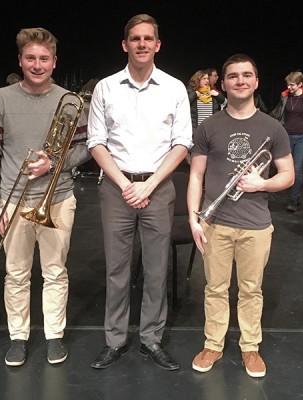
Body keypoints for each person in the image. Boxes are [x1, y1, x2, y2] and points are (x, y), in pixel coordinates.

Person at [87, 13, 192, 371]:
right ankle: (115, 340)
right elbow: (96, 142)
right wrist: (126, 184)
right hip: (118, 188)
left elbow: (182, 143)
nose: (142, 44)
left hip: (158, 187)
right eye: (136, 39)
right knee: (117, 270)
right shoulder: (106, 87)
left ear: (157, 44)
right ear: (125, 44)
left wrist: (148, 184)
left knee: (157, 268)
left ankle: (151, 339)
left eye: (149, 38)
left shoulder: (175, 88)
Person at [0, 27, 89, 367]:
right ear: (20, 60)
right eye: (31, 58)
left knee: (55, 271)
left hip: (58, 197)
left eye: (44, 58)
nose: (37, 65)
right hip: (13, 200)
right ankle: (18, 336)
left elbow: (84, 149)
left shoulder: (70, 100)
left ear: (54, 62)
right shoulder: (0, 98)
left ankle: (54, 335)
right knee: (16, 273)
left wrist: (54, 162)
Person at [188, 53, 294, 377]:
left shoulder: (272, 128)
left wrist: (262, 183)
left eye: (247, 75)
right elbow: (196, 176)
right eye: (233, 76)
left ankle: (250, 347)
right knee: (215, 289)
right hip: (216, 222)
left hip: (256, 226)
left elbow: (288, 174)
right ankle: (213, 345)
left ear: (256, 81)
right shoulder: (209, 126)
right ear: (224, 82)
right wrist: (194, 218)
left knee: (251, 290)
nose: (241, 81)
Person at [271, 71, 303, 212]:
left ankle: (294, 199)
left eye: (292, 85)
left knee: (298, 168)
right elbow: (277, 113)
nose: (290, 87)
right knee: (285, 167)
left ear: (300, 84)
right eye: (288, 84)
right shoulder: (284, 96)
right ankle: (291, 194)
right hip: (286, 135)